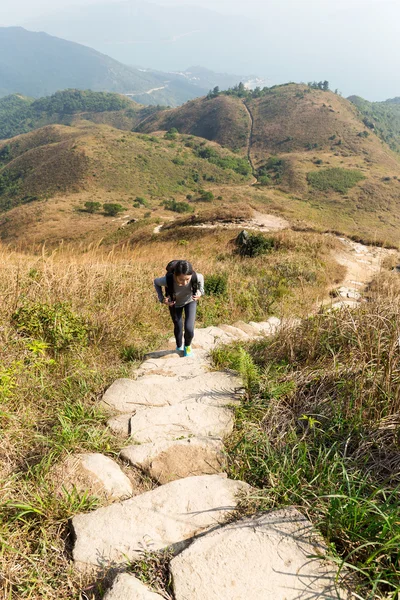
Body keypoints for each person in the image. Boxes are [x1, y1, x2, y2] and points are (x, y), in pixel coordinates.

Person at [154, 260, 204, 356]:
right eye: (181, 279)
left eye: (187, 279)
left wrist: (200, 292)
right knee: (178, 325)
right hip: (174, 304)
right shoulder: (167, 280)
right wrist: (162, 299)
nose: (184, 282)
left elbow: (201, 278)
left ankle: (187, 347)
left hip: (190, 302)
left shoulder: (196, 276)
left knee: (189, 328)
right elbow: (156, 282)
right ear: (175, 275)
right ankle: (179, 346)